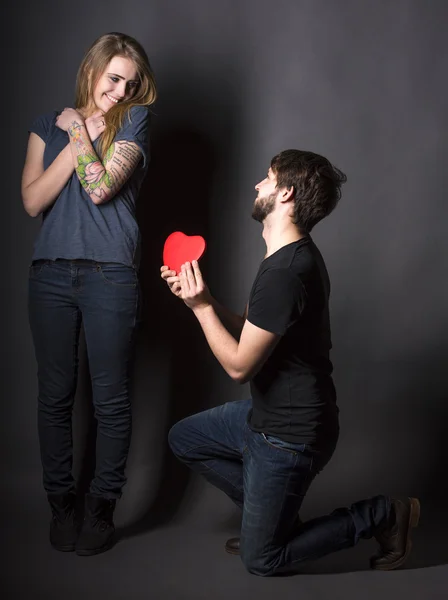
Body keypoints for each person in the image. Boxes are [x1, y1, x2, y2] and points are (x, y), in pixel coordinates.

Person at [161, 149, 420, 576]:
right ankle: (267, 518)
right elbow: (253, 326)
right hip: (264, 417)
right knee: (184, 438)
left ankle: (385, 515)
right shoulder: (284, 258)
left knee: (262, 559)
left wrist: (199, 309)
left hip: (291, 435)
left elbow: (240, 367)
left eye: (266, 178)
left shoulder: (286, 272)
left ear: (287, 192)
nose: (257, 185)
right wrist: (204, 299)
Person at [22, 32, 156, 556]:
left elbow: (100, 188)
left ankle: (101, 508)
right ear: (93, 69)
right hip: (50, 275)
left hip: (110, 274)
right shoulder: (43, 126)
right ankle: (62, 504)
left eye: (131, 82)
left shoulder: (136, 120)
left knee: (111, 399)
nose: (122, 90)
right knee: (54, 398)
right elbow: (33, 201)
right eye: (114, 78)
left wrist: (78, 129)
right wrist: (75, 130)